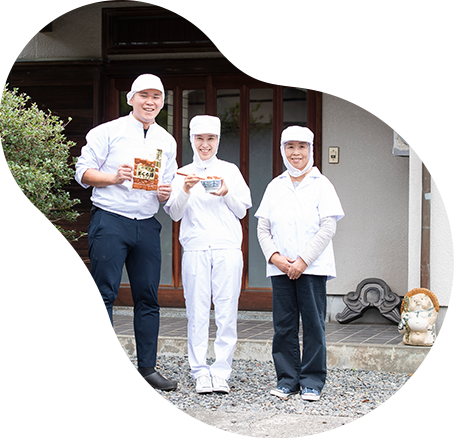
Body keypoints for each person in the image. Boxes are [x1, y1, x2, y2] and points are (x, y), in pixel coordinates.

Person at [75, 73, 178, 392]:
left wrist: (166, 193)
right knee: (103, 295)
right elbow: (82, 172)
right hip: (110, 220)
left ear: (162, 102)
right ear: (130, 98)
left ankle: (146, 370)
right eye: (144, 95)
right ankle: (105, 369)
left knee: (148, 298)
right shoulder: (107, 132)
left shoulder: (167, 140)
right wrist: (113, 177)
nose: (150, 101)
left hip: (146, 223)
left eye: (156, 96)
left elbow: (169, 184)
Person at [255, 125, 344, 402]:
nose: (296, 152)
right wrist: (275, 257)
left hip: (312, 268)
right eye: (290, 146)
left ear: (310, 150)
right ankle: (287, 380)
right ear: (283, 150)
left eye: (302, 146)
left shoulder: (322, 184)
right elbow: (262, 228)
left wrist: (303, 260)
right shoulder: (275, 186)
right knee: (283, 325)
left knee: (314, 325)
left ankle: (312, 381)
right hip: (281, 268)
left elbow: (328, 227)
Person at [164, 115, 252, 394]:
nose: (205, 144)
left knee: (227, 311)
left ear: (218, 140)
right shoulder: (182, 173)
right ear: (191, 140)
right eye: (199, 138)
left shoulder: (230, 170)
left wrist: (226, 193)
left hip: (227, 248)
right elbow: (174, 213)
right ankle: (200, 371)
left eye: (210, 138)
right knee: (197, 311)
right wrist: (185, 190)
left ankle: (222, 371)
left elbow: (242, 210)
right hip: (195, 249)